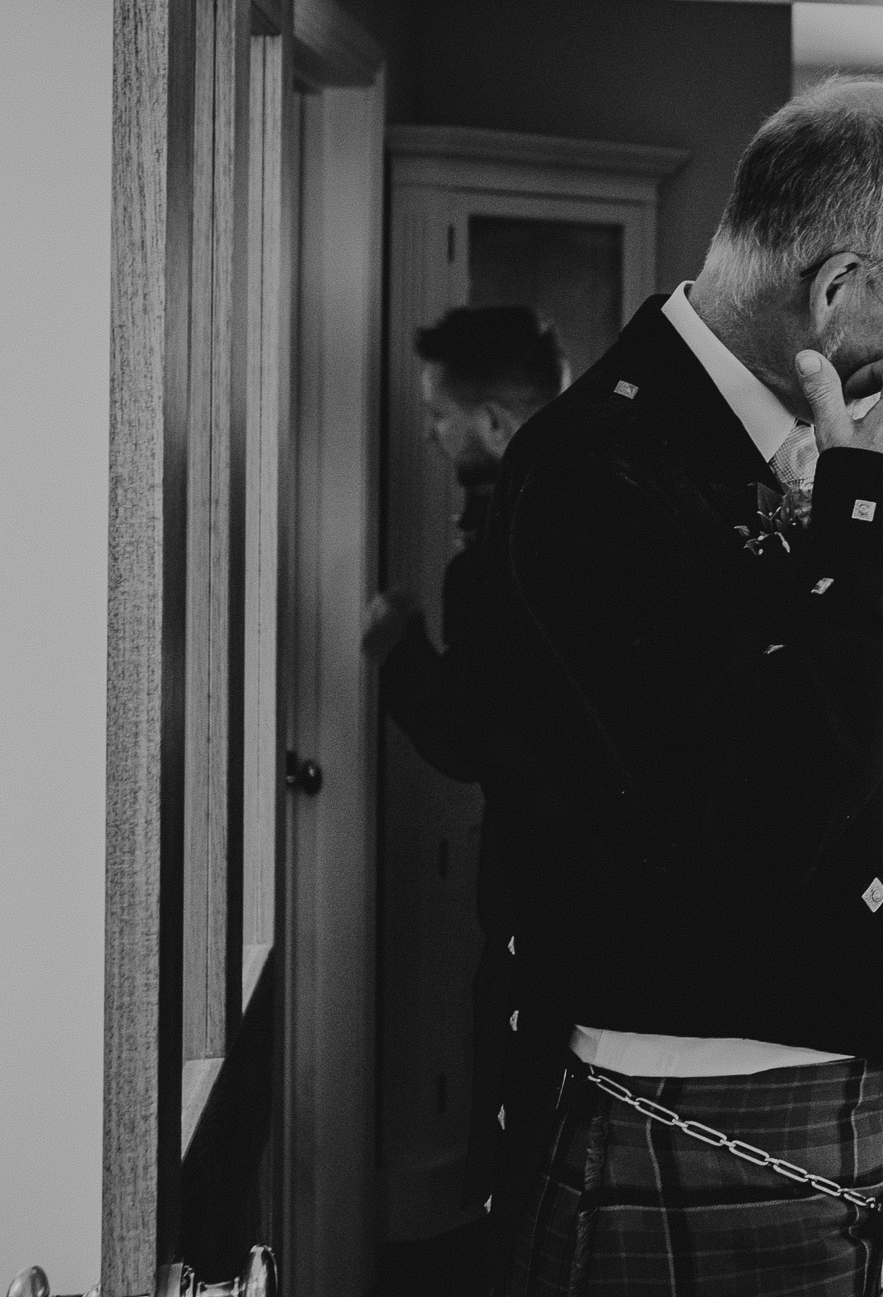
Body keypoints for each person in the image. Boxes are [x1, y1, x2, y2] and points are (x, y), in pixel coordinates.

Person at [485, 75, 883, 1296]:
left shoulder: (797, 440)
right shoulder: (597, 472)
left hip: (845, 1100)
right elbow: (751, 812)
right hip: (703, 1109)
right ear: (837, 290)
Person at [359, 305, 568, 1267]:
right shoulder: (587, 505)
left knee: (519, 1113)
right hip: (584, 884)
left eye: (440, 414)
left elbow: (473, 736)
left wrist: (396, 645)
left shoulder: (488, 563)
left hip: (540, 886)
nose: (432, 431)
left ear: (490, 423)